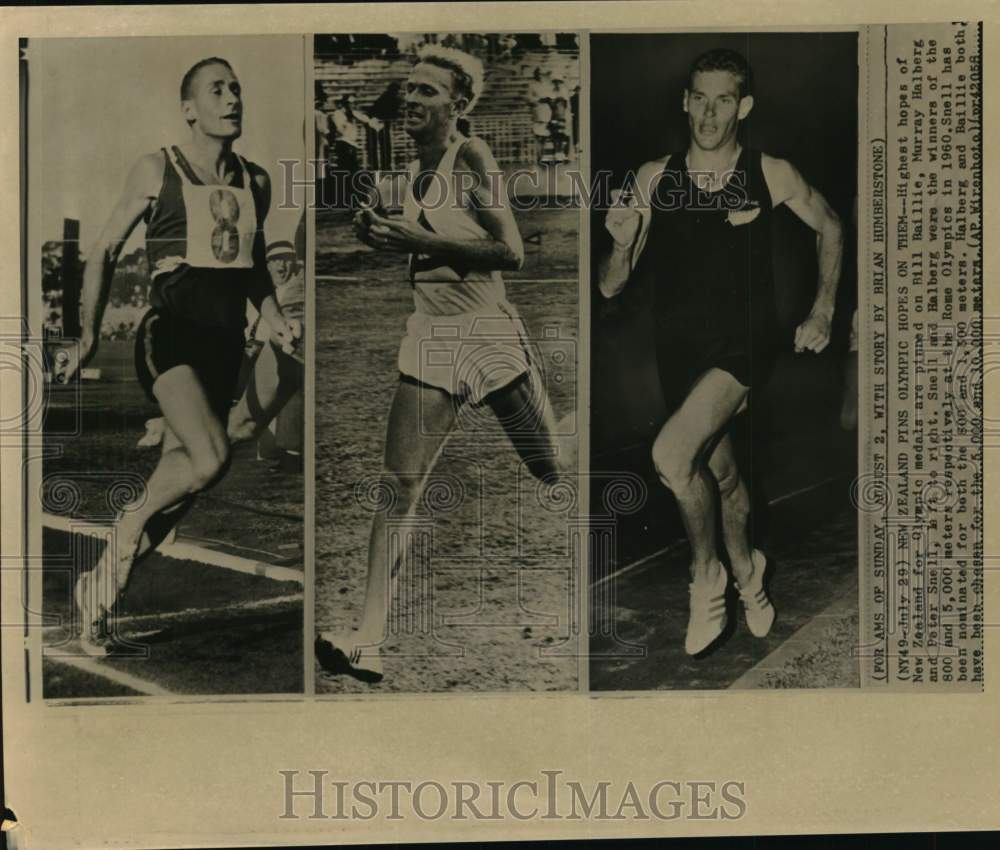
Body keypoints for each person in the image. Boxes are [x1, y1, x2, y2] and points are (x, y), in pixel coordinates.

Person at [315, 44, 572, 683]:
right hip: (431, 336)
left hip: (486, 332)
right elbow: (410, 244)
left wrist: (416, 239)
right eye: (409, 88)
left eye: (428, 91)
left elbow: (510, 252)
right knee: (397, 485)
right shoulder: (407, 173)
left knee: (549, 468)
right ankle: (366, 640)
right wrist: (378, 233)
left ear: (458, 105)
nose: (412, 98)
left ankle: (585, 428)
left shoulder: (472, 156)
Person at [598, 48, 844, 655]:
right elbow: (610, 285)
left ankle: (706, 578)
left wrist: (823, 309)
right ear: (685, 101)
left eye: (724, 99)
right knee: (721, 474)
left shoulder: (770, 171)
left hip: (747, 344)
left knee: (673, 457)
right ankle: (751, 574)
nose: (710, 114)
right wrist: (622, 245)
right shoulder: (652, 178)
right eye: (699, 98)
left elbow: (832, 226)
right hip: (679, 349)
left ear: (745, 106)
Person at [55, 57, 301, 654]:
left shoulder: (257, 181)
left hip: (221, 348)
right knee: (210, 457)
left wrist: (276, 320)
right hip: (169, 337)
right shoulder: (155, 168)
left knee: (179, 488)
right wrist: (83, 334)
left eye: (237, 87)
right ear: (189, 108)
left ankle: (98, 598)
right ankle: (122, 528)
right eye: (216, 89)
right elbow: (103, 250)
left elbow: (251, 272)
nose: (231, 97)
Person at [228, 239, 306, 472]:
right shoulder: (256, 295)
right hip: (250, 358)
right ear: (266, 265)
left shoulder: (295, 292)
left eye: (287, 260)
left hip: (276, 353)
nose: (282, 266)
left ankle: (290, 455)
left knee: (293, 388)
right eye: (275, 260)